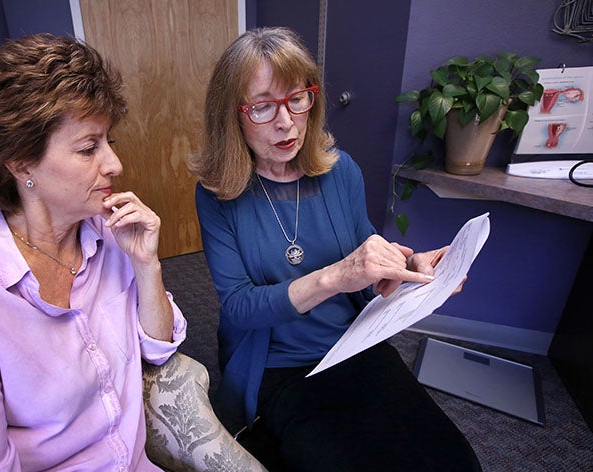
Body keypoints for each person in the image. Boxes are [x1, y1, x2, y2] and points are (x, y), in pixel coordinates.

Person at [188, 27, 481, 471]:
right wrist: (334, 277)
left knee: (453, 461)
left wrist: (408, 268)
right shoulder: (216, 195)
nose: (286, 122)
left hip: (354, 343)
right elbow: (240, 309)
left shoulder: (342, 172)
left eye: (297, 99)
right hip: (281, 366)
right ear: (234, 116)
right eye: (264, 107)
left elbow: (365, 251)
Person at [0, 33, 187, 471]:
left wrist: (147, 266)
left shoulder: (107, 233)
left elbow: (158, 349)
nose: (114, 164)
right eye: (89, 148)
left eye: (110, 141)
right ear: (20, 163)